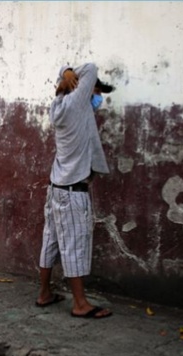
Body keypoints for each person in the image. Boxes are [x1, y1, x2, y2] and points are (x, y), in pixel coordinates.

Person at [36, 63, 112, 318]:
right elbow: (90, 67)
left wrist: (66, 75)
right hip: (72, 192)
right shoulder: (77, 102)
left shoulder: (59, 104)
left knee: (51, 240)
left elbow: (87, 103)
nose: (94, 93)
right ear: (78, 87)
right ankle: (80, 304)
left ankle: (44, 293)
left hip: (56, 188)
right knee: (74, 247)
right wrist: (71, 71)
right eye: (91, 90)